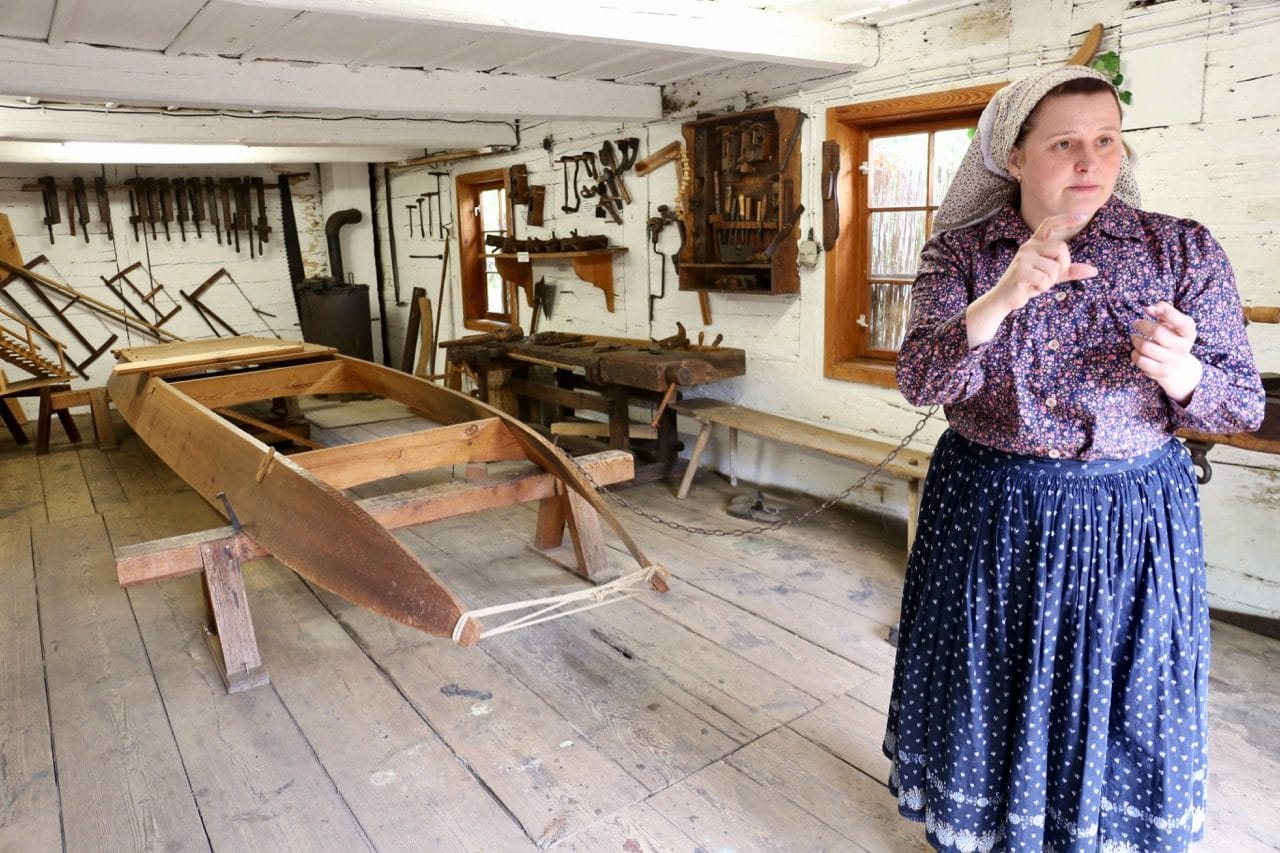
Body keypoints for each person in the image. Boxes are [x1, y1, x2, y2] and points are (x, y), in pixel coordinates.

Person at [884, 64, 1265, 852]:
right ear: (1013, 158)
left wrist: (1184, 372)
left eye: (1106, 141)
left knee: (1125, 693)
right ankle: (987, 831)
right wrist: (1001, 299)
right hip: (992, 510)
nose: (1091, 162)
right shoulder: (962, 256)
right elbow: (921, 380)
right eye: (1064, 143)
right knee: (987, 683)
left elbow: (1245, 404)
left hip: (1133, 519)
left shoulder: (1180, 248)